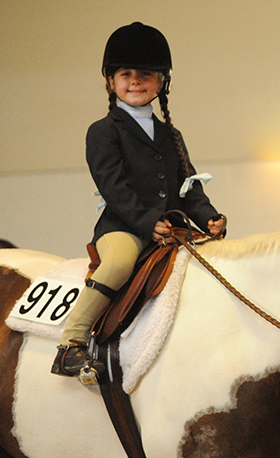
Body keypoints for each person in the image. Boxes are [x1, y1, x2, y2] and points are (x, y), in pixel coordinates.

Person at [52, 22, 224, 377]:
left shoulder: (170, 134)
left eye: (145, 74)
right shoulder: (103, 131)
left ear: (162, 82)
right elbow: (113, 187)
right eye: (125, 73)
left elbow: (187, 186)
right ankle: (71, 342)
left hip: (171, 229)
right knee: (118, 264)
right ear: (111, 81)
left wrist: (208, 217)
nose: (134, 81)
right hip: (125, 226)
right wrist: (148, 222)